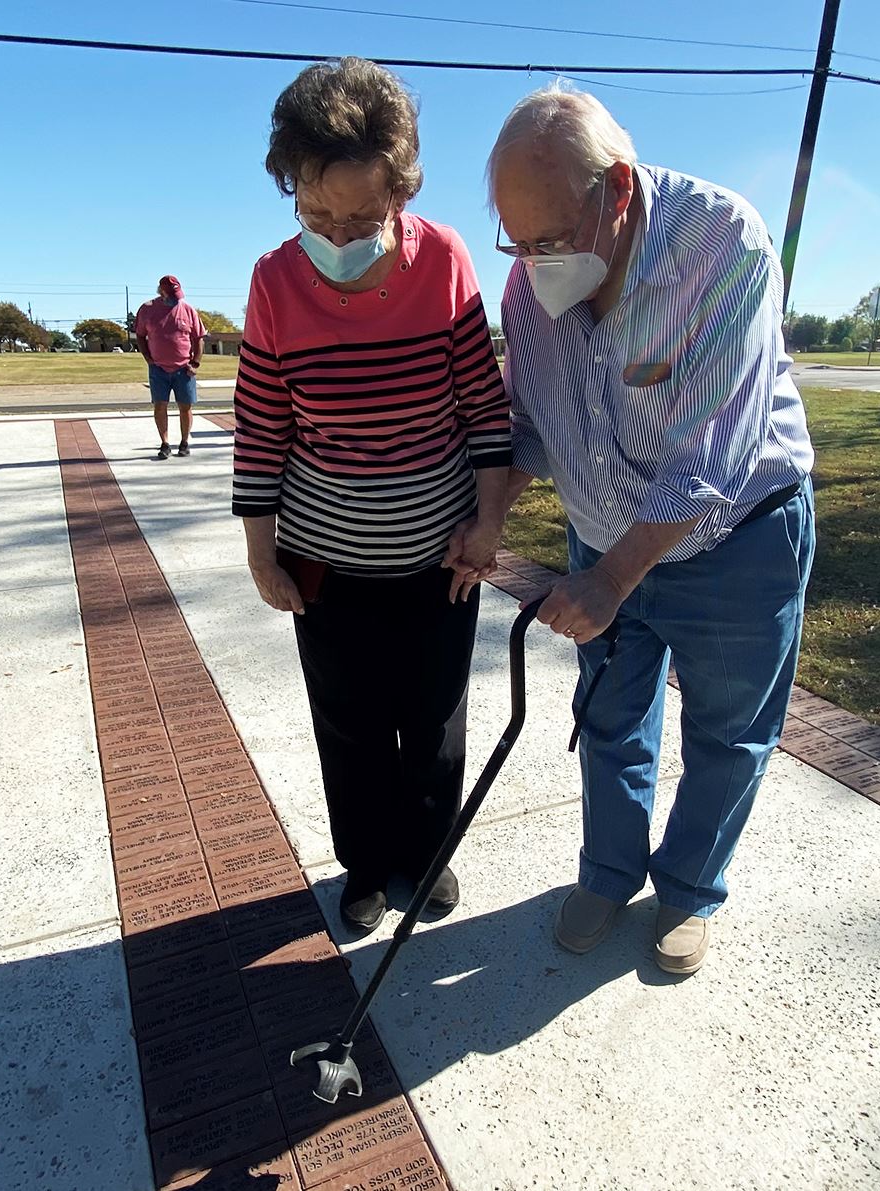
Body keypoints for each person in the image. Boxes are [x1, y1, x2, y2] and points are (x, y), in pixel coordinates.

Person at [482, 85, 815, 974]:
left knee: (729, 731)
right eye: (517, 240)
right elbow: (531, 423)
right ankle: (608, 871)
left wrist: (610, 579)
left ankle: (689, 890)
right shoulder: (528, 288)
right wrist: (490, 520)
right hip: (603, 536)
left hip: (738, 539)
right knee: (609, 719)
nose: (534, 260)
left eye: (552, 237)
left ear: (619, 190)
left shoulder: (724, 243)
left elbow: (713, 455)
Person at [233, 58, 510, 933]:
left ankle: (427, 856)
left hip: (440, 555)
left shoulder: (446, 263)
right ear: (291, 190)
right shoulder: (275, 281)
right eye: (317, 212)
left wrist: (489, 521)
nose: (340, 232)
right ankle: (366, 863)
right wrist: (259, 548)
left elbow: (484, 407)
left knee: (433, 719)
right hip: (326, 558)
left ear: (401, 189)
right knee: (349, 725)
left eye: (364, 214)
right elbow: (261, 425)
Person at [135, 275, 206, 459]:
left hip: (184, 369)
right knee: (160, 406)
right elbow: (140, 335)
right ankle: (165, 443)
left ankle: (184, 442)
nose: (176, 298)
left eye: (178, 294)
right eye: (172, 294)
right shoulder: (147, 309)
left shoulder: (188, 310)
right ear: (161, 291)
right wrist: (147, 358)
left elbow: (199, 338)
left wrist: (195, 363)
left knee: (185, 407)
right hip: (158, 368)